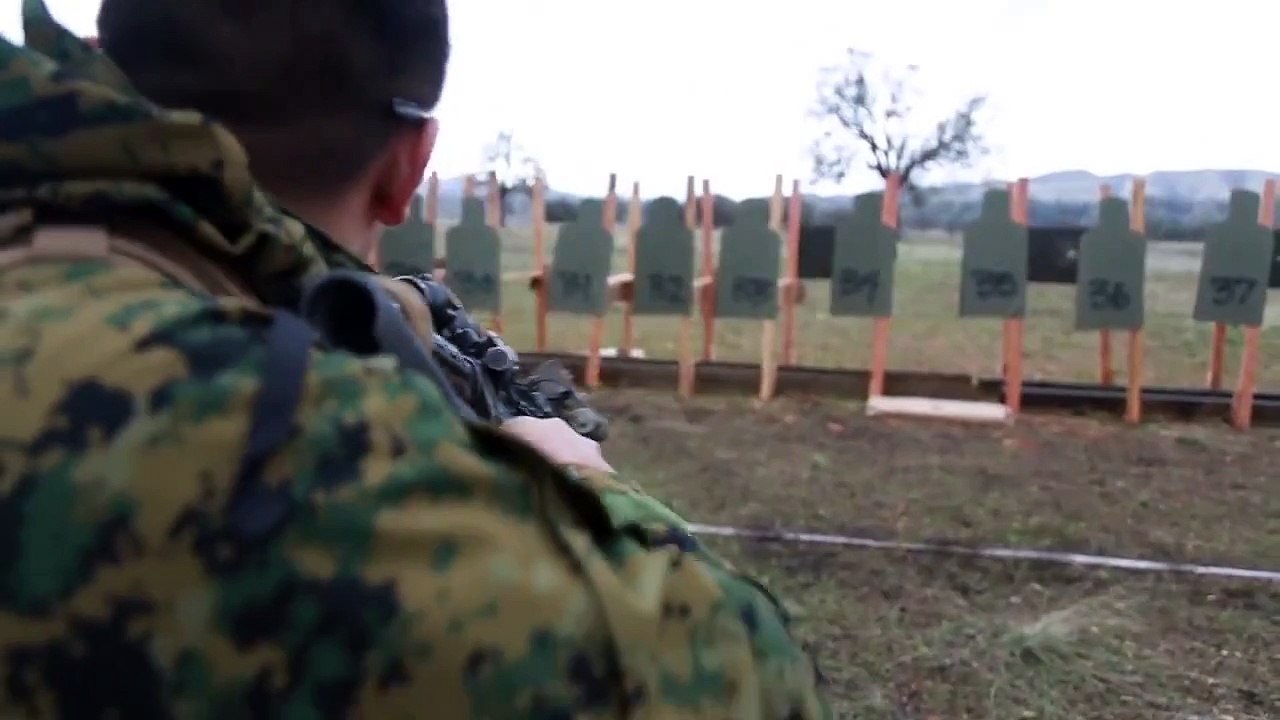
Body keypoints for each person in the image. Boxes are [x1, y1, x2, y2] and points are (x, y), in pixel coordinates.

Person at [0, 0, 831, 717]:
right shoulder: (300, 443)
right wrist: (587, 483)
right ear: (408, 168)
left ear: (101, 67)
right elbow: (755, 684)